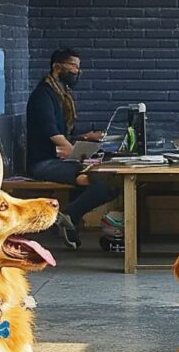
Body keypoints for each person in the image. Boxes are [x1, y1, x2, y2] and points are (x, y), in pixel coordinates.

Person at [26, 48, 115, 249]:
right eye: (73, 66)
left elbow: (64, 133)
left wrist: (86, 137)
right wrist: (76, 155)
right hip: (44, 163)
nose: (77, 71)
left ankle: (69, 220)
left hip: (59, 160)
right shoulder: (43, 96)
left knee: (103, 178)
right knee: (103, 183)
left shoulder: (61, 94)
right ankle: (67, 218)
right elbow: (54, 135)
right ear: (57, 67)